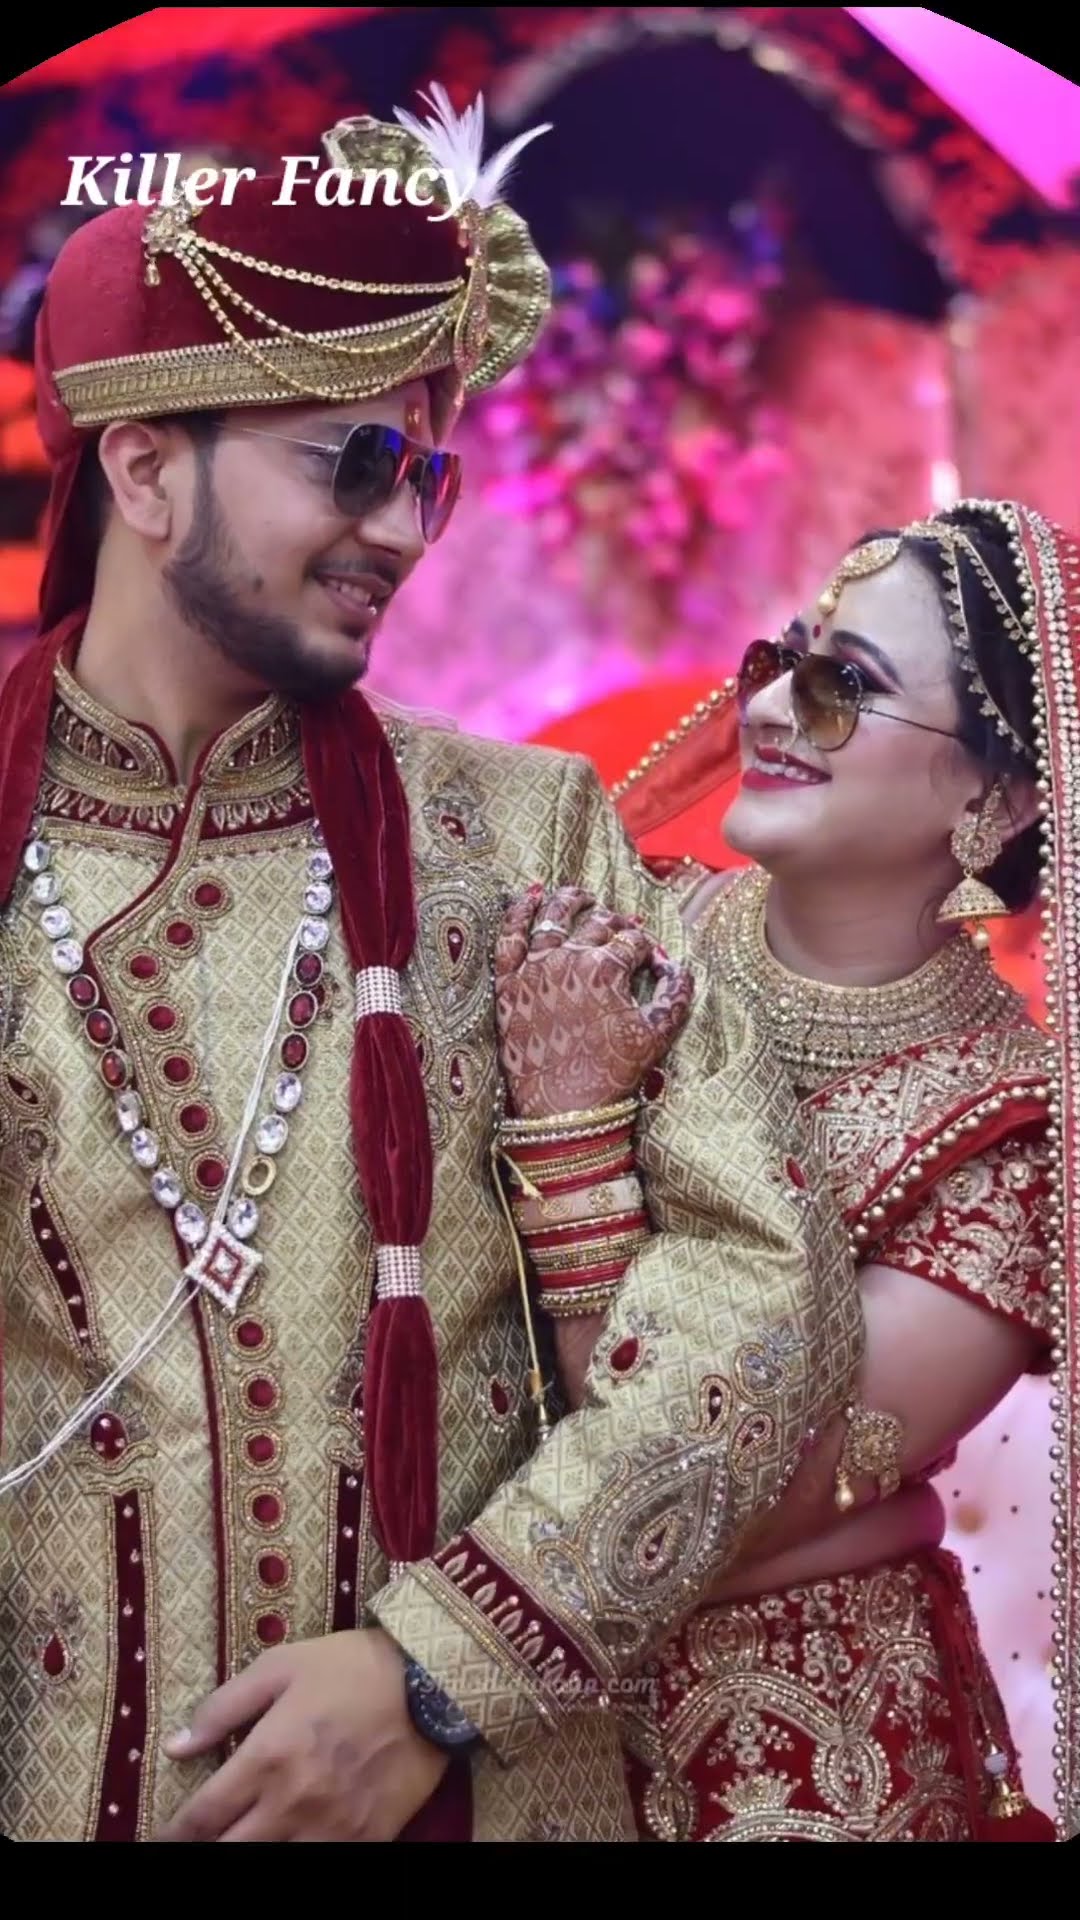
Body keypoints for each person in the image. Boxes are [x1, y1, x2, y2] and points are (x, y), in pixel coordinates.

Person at [0, 95, 862, 1843]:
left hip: (485, 1792)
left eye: (428, 475)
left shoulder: (524, 832)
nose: (406, 531)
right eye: (353, 463)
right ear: (146, 466)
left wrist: (436, 1667)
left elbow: (768, 1288)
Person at [497, 502, 1072, 1841]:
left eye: (844, 688)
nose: (767, 708)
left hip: (800, 1754)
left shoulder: (1010, 1137)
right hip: (502, 1720)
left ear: (994, 799)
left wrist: (576, 1134)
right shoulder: (624, 920)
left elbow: (703, 1501)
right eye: (780, 658)